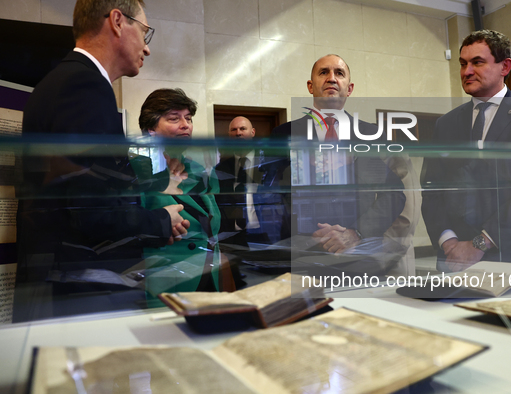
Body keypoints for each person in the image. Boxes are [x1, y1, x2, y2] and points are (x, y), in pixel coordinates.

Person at [15, 0, 189, 320]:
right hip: (83, 292)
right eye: (145, 33)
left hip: (70, 286)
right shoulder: (83, 86)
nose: (147, 49)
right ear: (118, 22)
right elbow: (89, 211)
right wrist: (160, 221)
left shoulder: (67, 81)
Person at [421, 30, 511, 272]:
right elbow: (432, 188)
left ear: (505, 67)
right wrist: (450, 243)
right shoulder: (446, 124)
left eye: (477, 62)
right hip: (455, 261)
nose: (467, 72)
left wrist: (479, 244)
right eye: (463, 64)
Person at [272, 54, 411, 275]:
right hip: (302, 259)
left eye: (339, 73)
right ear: (310, 86)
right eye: (323, 72)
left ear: (350, 87)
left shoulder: (370, 134)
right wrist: (306, 235)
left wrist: (356, 232)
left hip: (360, 259)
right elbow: (272, 196)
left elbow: (394, 194)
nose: (331, 78)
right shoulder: (283, 134)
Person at [136, 88, 235, 296]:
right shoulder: (136, 173)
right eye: (174, 118)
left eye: (188, 119)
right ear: (150, 129)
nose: (185, 125)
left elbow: (215, 228)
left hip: (211, 279)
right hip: (168, 284)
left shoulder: (200, 172)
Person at [215, 116, 290, 249]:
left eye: (243, 128)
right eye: (234, 130)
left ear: (253, 132)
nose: (238, 133)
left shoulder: (270, 163)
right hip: (234, 240)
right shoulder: (221, 169)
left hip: (270, 235)